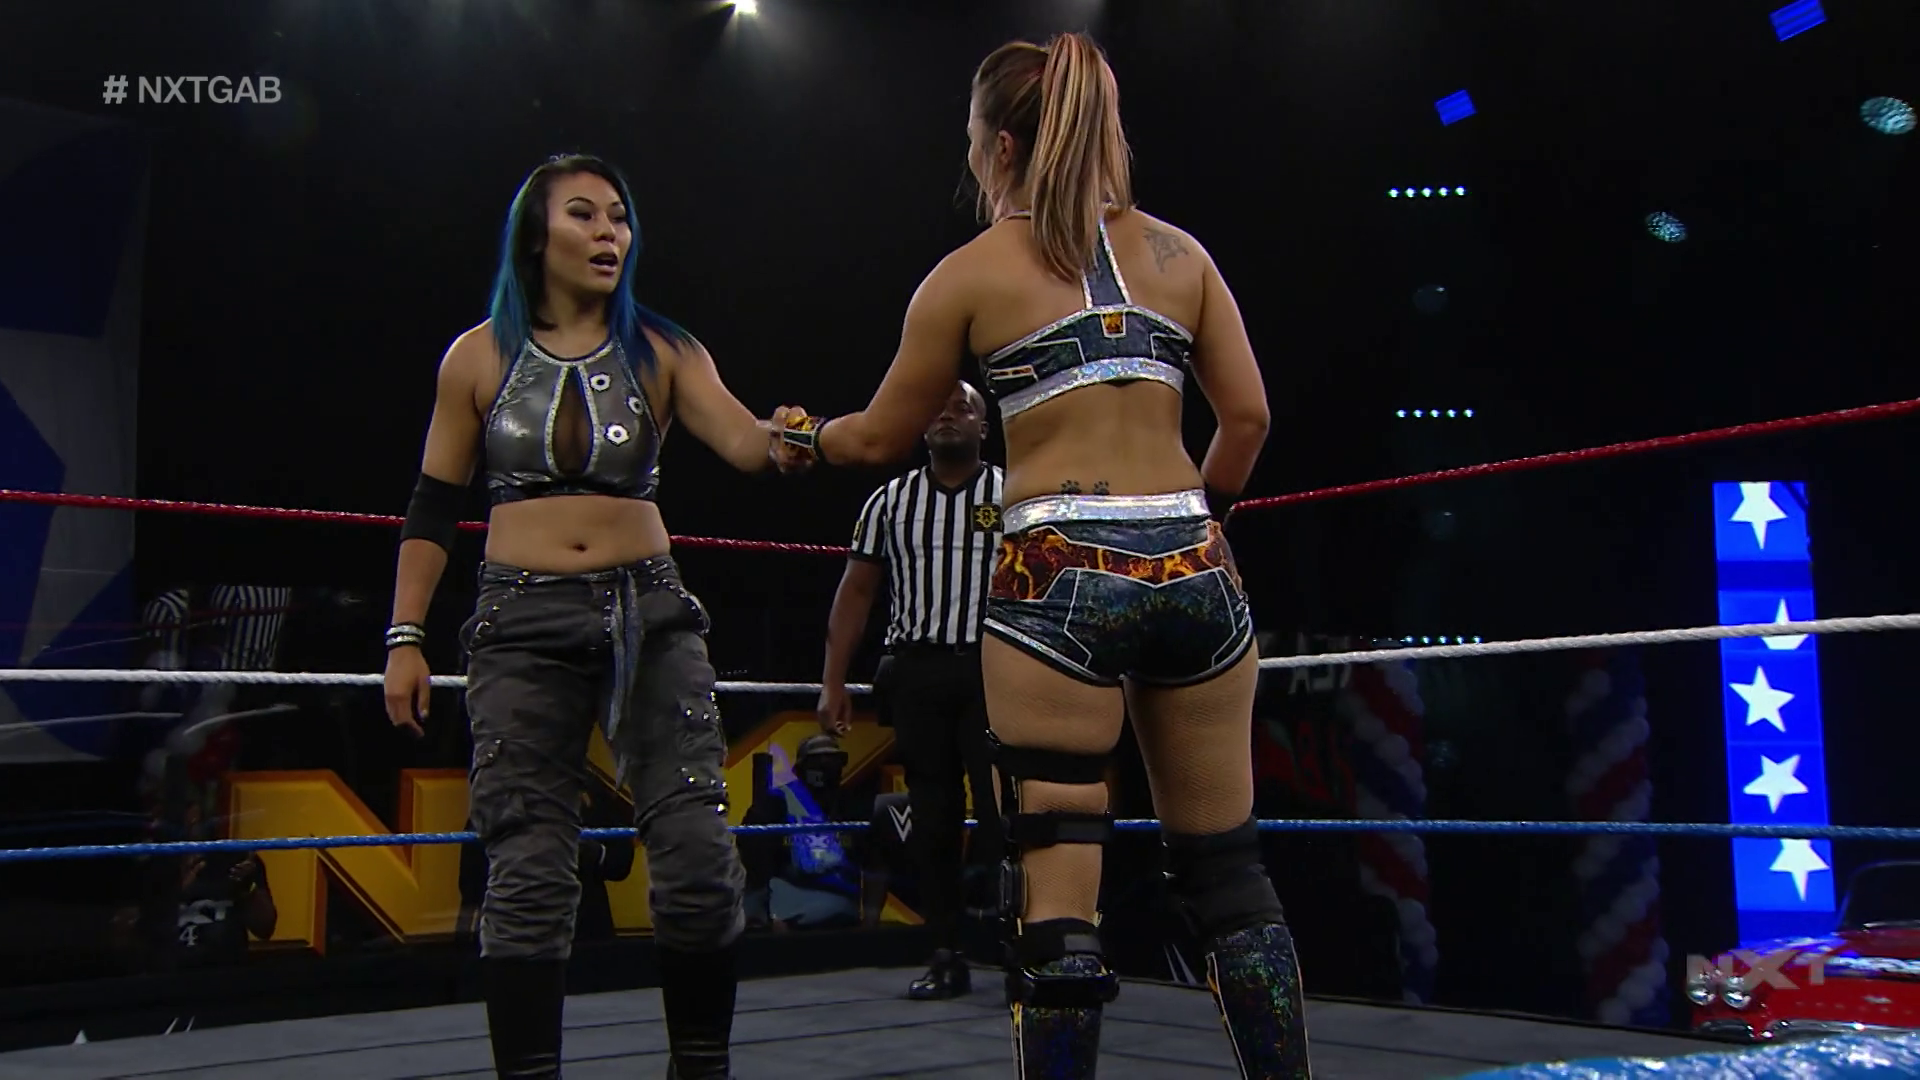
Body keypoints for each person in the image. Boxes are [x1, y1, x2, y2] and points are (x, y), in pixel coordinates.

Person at [771, 34, 1310, 1079]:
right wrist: (1199, 524)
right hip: (1193, 558)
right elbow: (1247, 419)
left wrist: (803, 437)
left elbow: (878, 439)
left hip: (1057, 567)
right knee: (1229, 872)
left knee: (1058, 892)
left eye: (973, 141)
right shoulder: (1182, 256)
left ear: (1003, 145)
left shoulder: (971, 273)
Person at [381, 153, 806, 1080]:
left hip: (648, 609)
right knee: (528, 870)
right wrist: (405, 636)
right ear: (537, 236)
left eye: (620, 216)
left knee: (697, 854)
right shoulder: (476, 356)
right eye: (584, 214)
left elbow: (744, 440)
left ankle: (702, 1069)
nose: (609, 231)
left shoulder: (663, 349)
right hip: (520, 620)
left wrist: (793, 438)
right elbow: (432, 505)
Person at [816, 380, 1005, 999]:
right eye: (938, 408)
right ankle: (945, 952)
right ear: (921, 425)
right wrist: (833, 680)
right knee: (933, 817)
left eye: (963, 407)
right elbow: (856, 592)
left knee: (1005, 812)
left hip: (994, 670)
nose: (948, 415)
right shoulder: (889, 501)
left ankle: (1024, 946)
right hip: (919, 671)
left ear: (983, 427)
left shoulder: (1011, 494)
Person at [739, 734, 886, 932]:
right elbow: (753, 865)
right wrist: (763, 916)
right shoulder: (774, 804)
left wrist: (871, 917)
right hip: (785, 913)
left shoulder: (853, 806)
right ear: (800, 768)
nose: (825, 766)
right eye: (817, 760)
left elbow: (875, 864)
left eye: (833, 760)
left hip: (842, 912)